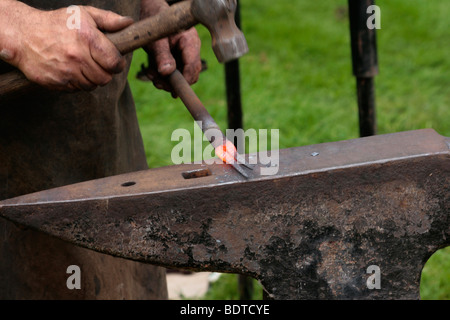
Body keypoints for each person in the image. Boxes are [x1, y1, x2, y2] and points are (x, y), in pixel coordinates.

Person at [0, 0, 202, 299]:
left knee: (125, 277)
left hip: (101, 130)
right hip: (12, 138)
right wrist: (14, 27)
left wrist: (144, 7)